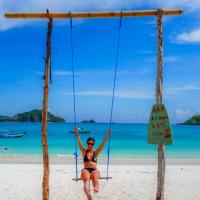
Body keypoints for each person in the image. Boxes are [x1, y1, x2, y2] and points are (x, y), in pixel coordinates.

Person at [74, 127, 111, 199]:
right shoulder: (84, 152)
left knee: (95, 179)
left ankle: (96, 188)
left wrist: (107, 135)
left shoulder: (96, 153)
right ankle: (88, 196)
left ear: (93, 144)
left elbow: (103, 144)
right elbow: (79, 143)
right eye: (89, 143)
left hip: (94, 169)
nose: (90, 145)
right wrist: (76, 134)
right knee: (86, 181)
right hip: (86, 169)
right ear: (87, 143)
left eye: (92, 144)